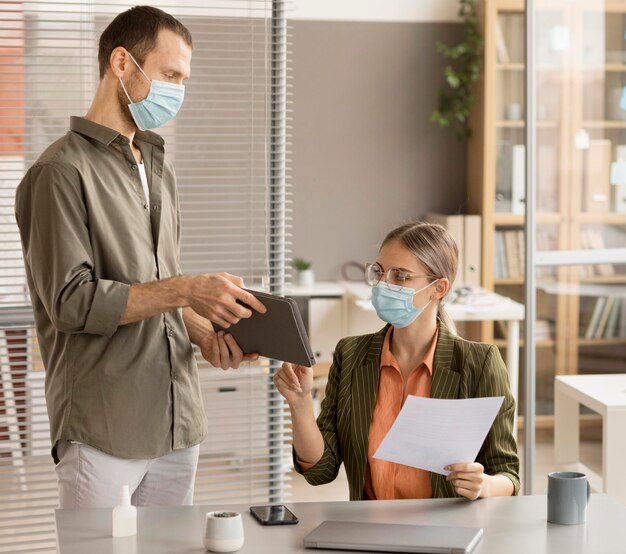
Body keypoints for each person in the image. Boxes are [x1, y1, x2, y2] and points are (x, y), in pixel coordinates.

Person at [14, 6, 266, 509]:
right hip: (104, 430)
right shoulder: (58, 173)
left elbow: (154, 287)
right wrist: (187, 288)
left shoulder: (156, 167)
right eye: (170, 74)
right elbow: (72, 302)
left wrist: (204, 333)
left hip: (178, 424)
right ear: (122, 64)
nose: (178, 89)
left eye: (184, 78)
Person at [274, 221, 519, 501]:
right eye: (379, 272)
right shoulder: (351, 355)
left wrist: (485, 485)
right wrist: (300, 402)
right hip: (372, 529)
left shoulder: (480, 363)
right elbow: (321, 470)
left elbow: (508, 473)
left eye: (400, 277)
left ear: (438, 288)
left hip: (446, 529)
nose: (383, 284)